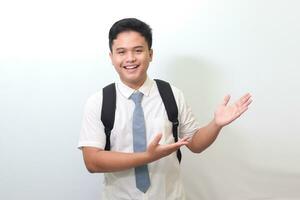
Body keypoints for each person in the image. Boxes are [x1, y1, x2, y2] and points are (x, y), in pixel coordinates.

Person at [78, 18, 252, 200]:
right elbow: (92, 162)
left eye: (138, 50)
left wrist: (216, 124)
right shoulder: (99, 102)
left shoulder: (171, 94)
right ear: (111, 57)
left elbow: (195, 144)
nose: (130, 58)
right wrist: (147, 156)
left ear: (150, 54)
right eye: (121, 52)